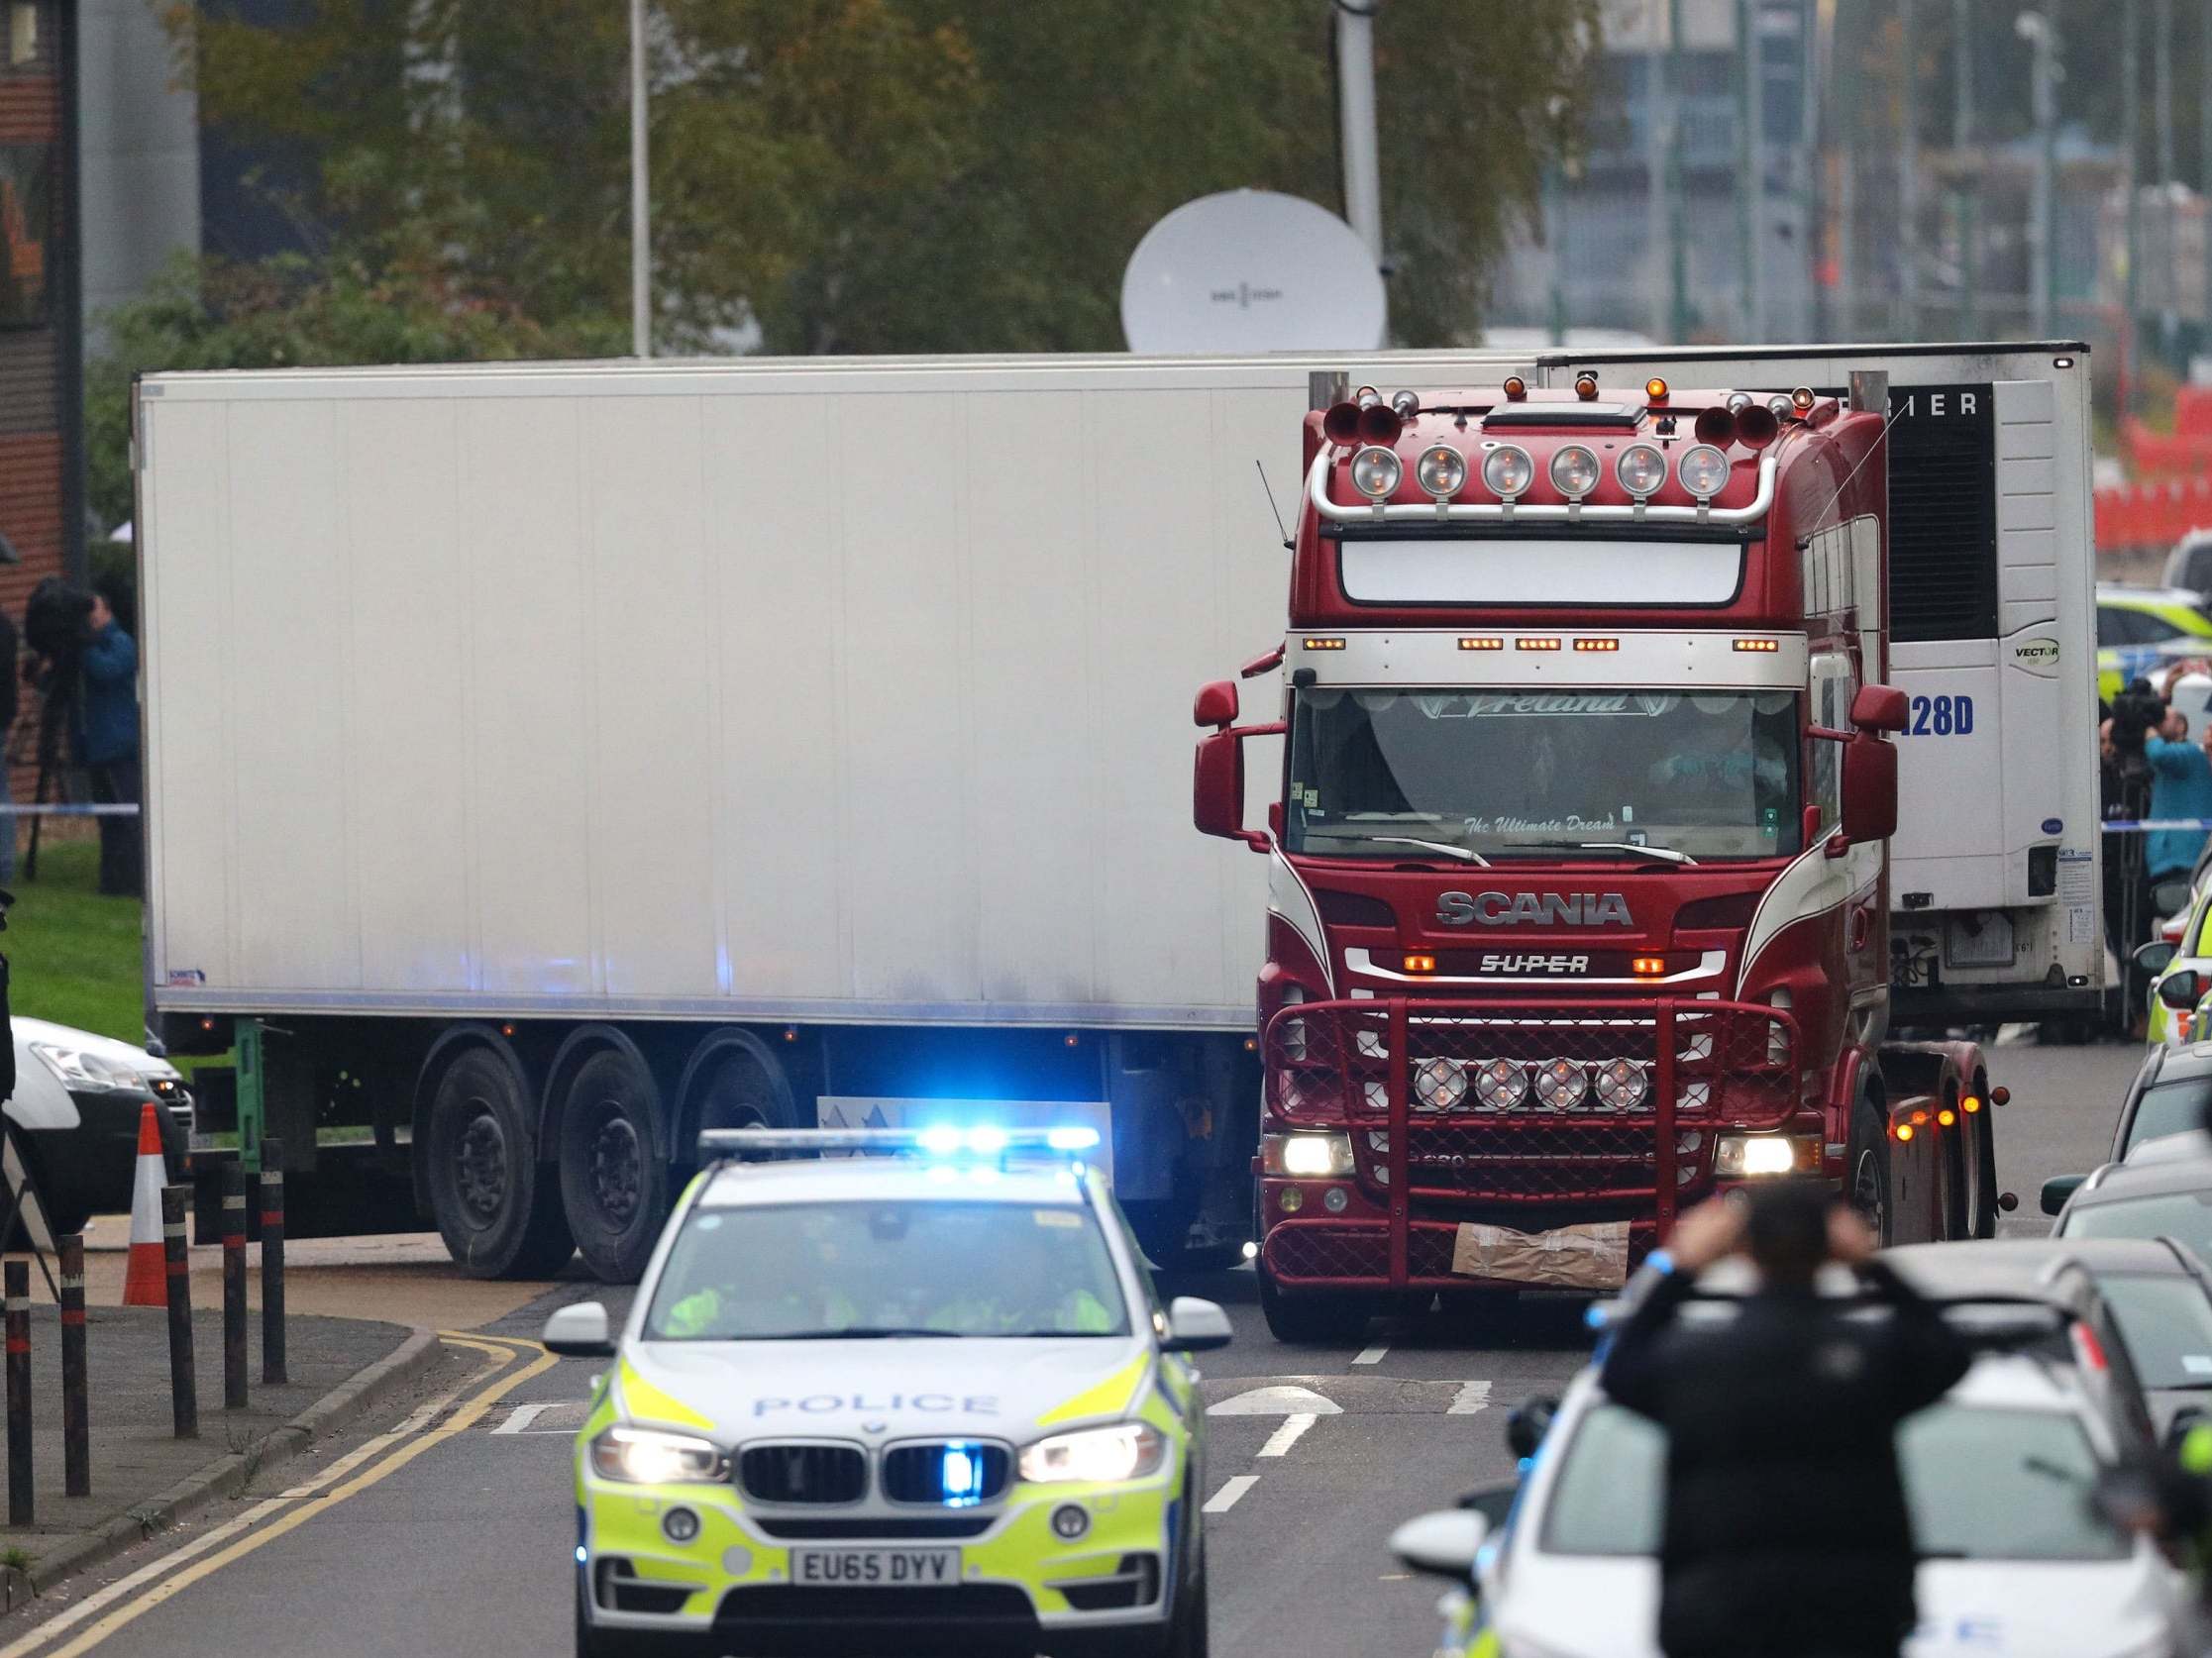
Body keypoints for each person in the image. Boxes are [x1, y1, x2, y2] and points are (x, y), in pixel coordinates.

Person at [1599, 1186, 1972, 1658]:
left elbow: (1619, 1370)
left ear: (1743, 1251)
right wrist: (1872, 1266)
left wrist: (1680, 1267)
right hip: (1853, 1614)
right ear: (1832, 1249)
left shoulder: (1699, 1360)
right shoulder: (1868, 1359)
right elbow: (1948, 1355)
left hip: (1718, 1611)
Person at [75, 589, 140, 898]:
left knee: (126, 818)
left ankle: (131, 880)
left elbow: (105, 670)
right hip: (99, 747)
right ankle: (112, 882)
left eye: (94, 608)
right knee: (108, 820)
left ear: (106, 611)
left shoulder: (122, 643)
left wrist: (84, 646)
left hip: (118, 745)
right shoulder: (94, 644)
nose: (90, 615)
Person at [2143, 705, 2212, 927]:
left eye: (2165, 718)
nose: (2158, 722)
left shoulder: (2191, 754)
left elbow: (2159, 753)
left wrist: (2149, 732)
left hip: (2184, 857)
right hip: (2167, 858)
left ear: (2182, 726)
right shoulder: (2176, 759)